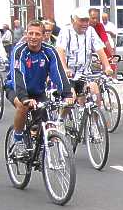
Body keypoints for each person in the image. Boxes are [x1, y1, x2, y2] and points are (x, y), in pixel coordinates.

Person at [5, 20, 73, 154]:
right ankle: (18, 140)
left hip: (38, 91)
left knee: (44, 124)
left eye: (37, 34)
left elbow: (58, 73)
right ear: (26, 34)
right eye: (30, 33)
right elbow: (18, 75)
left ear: (43, 36)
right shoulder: (19, 51)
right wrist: (24, 98)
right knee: (23, 106)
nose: (33, 37)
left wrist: (67, 94)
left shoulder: (49, 51)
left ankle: (38, 145)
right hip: (16, 89)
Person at [56, 7, 113, 107]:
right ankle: (61, 119)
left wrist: (107, 66)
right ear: (73, 20)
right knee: (70, 100)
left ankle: (96, 122)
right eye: (82, 20)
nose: (85, 24)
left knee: (95, 94)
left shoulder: (91, 31)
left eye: (87, 20)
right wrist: (64, 69)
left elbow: (100, 50)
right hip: (70, 74)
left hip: (85, 73)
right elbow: (60, 51)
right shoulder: (66, 31)